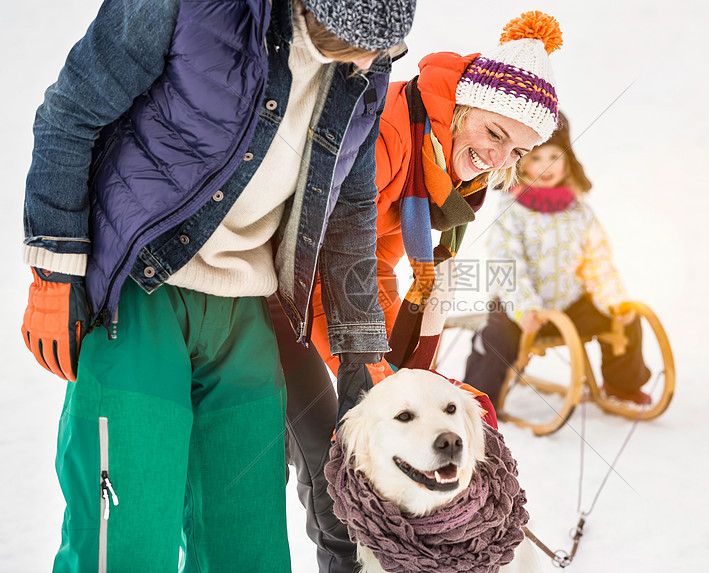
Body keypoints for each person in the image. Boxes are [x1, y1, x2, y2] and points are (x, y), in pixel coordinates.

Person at [20, 0, 415, 570]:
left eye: (386, 49)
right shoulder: (192, 9)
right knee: (127, 539)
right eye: (357, 44)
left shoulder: (367, 68)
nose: (371, 62)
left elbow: (350, 206)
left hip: (245, 312)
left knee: (247, 547)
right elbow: (69, 114)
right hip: (141, 291)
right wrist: (53, 273)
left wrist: (362, 348)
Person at [272, 11, 564, 573]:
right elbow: (320, 248)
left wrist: (382, 362)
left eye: (518, 152)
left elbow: (374, 257)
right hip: (272, 290)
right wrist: (367, 360)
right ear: (462, 107)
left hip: (316, 296)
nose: (500, 160)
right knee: (335, 467)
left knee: (331, 458)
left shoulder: (440, 164)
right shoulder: (389, 135)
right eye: (495, 133)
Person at [462, 112, 653, 406]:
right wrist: (525, 309)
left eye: (555, 156)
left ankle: (622, 384)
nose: (546, 166)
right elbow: (506, 264)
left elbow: (597, 263)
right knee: (496, 341)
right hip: (519, 308)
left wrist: (613, 301)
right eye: (537, 158)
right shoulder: (511, 212)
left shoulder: (579, 213)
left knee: (628, 319)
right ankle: (478, 400)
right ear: (521, 161)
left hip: (568, 305)